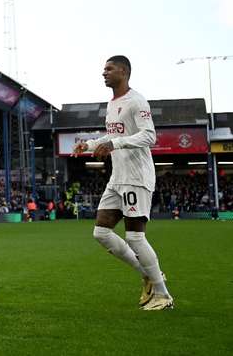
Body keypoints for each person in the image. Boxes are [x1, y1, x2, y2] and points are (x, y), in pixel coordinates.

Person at [73, 55, 173, 311]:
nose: (103, 73)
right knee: (101, 232)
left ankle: (163, 295)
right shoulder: (113, 103)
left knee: (135, 237)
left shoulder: (136, 100)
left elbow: (149, 135)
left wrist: (114, 144)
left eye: (109, 69)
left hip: (137, 177)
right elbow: (114, 134)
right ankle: (150, 274)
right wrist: (91, 144)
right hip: (118, 178)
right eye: (103, 69)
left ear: (124, 72)